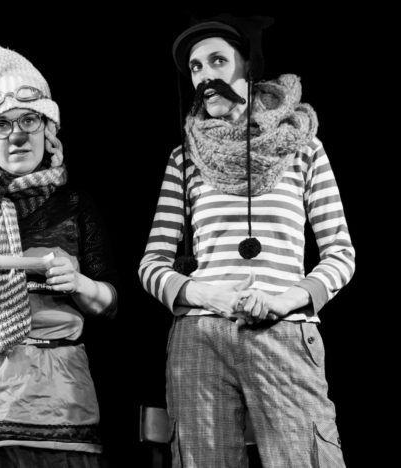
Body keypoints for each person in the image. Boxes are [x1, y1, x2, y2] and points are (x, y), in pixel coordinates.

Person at [138, 13, 355, 468]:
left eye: (217, 61)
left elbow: (340, 254)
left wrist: (286, 300)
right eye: (196, 67)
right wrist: (206, 294)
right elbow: (152, 264)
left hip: (284, 331)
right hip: (200, 336)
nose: (205, 77)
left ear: (249, 66)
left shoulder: (302, 147)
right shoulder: (185, 159)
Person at [0, 44, 117, 467]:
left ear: (48, 130)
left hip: (57, 393)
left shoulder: (75, 203)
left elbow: (112, 302)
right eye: (1, 124)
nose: (17, 135)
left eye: (29, 120)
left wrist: (80, 284)